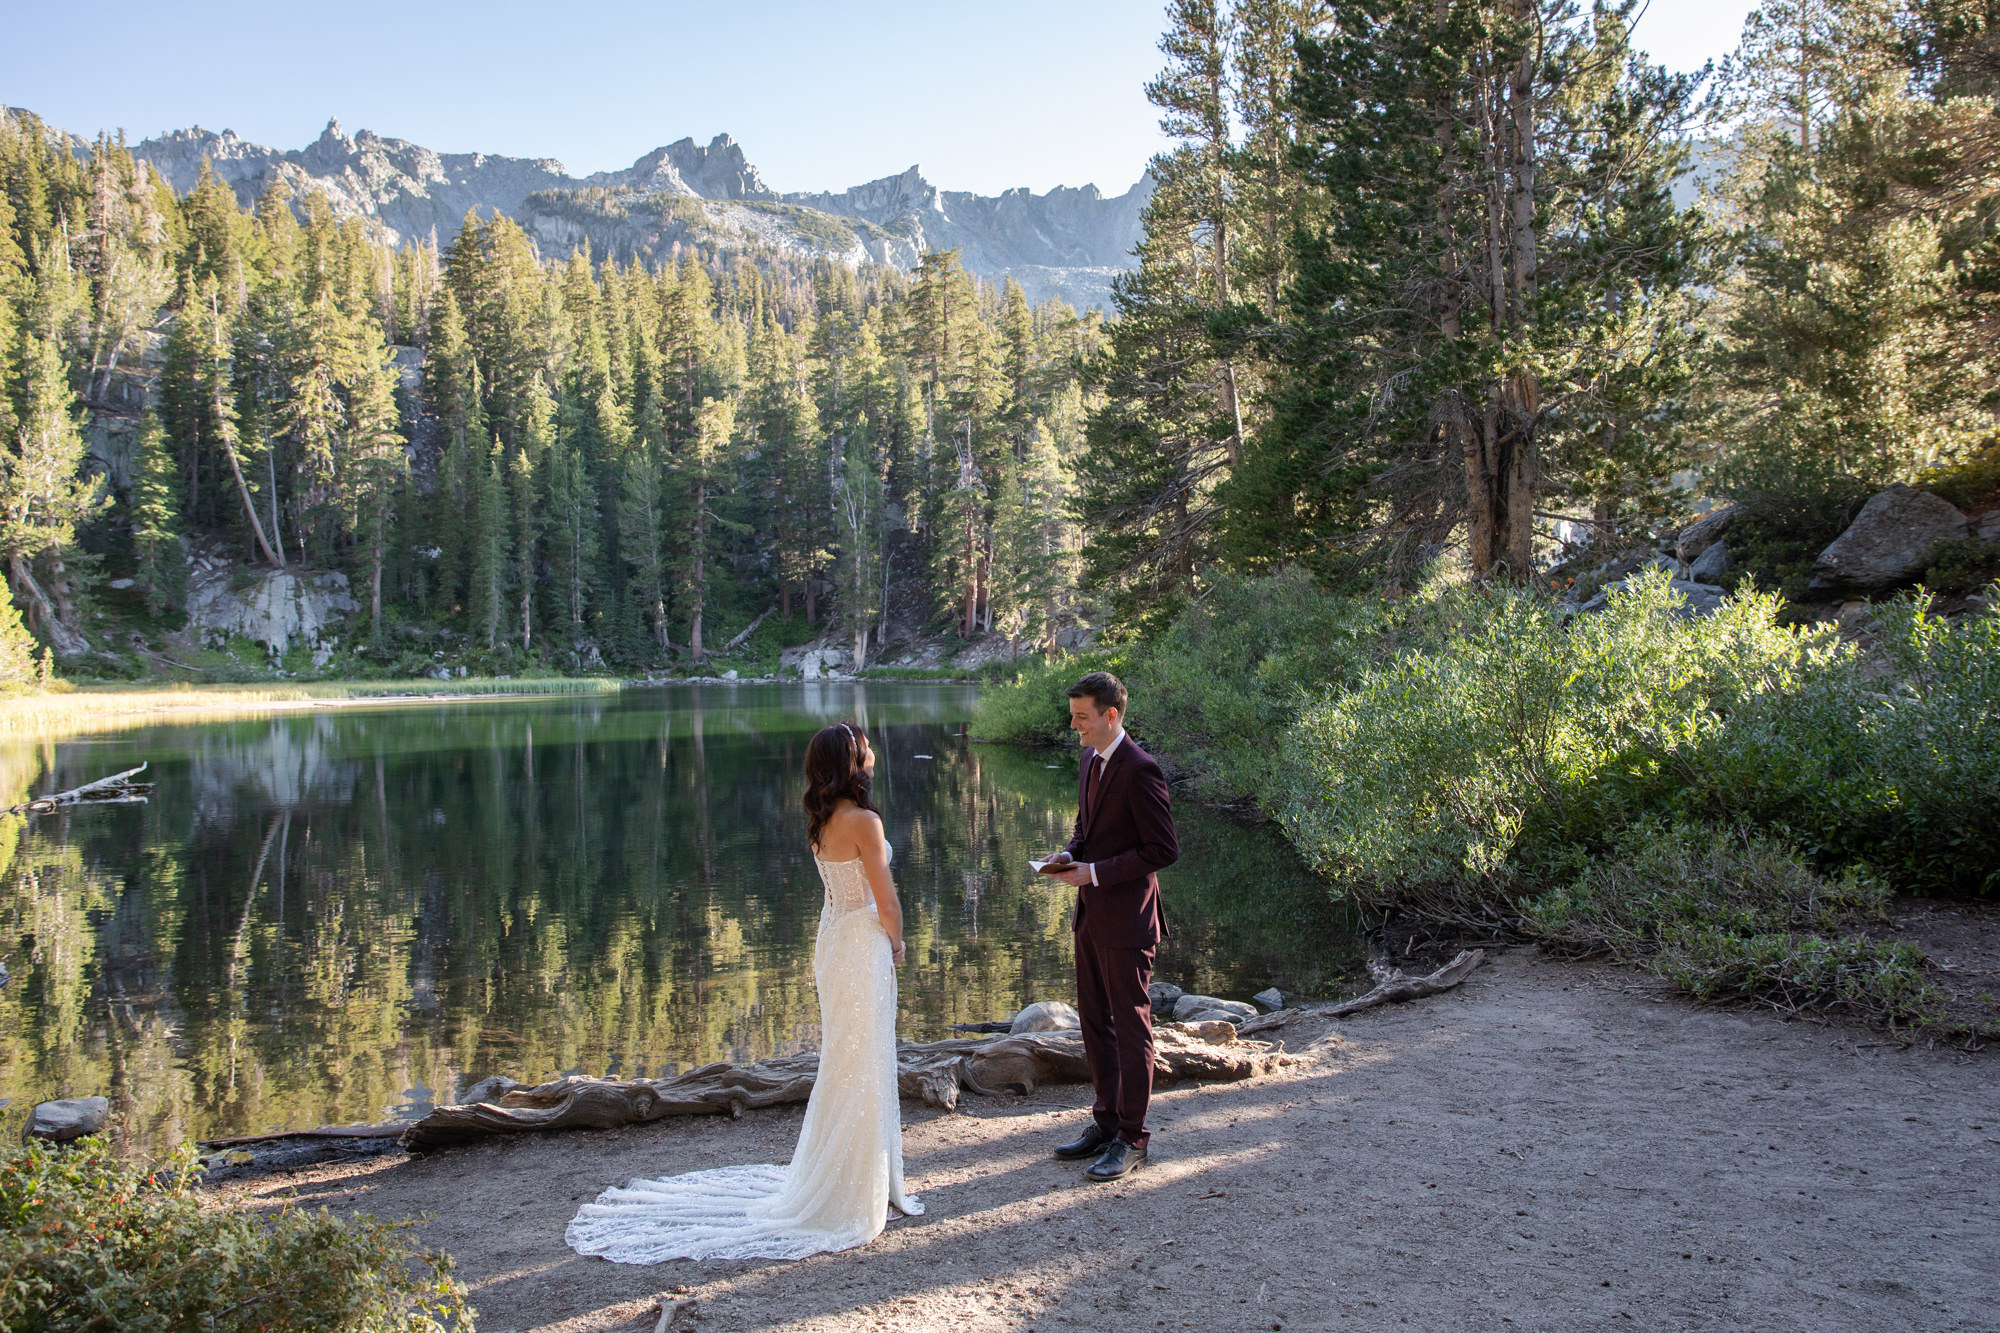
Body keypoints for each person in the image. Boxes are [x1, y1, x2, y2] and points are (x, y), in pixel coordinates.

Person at [565, 721, 922, 1263]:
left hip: (834, 944)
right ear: (851, 762)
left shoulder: (824, 819)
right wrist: (897, 946)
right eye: (865, 749)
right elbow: (887, 903)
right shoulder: (864, 821)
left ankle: (863, 1175)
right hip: (863, 946)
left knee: (847, 1060)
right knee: (863, 1059)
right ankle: (855, 1187)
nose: (873, 754)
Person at [1040, 671, 1179, 1182]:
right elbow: (1086, 828)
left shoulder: (1142, 770)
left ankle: (1133, 1137)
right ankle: (1105, 1123)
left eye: (1081, 716)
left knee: (1131, 1026)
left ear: (1110, 716)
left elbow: (1163, 850)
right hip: (1090, 918)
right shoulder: (1087, 759)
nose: (1073, 724)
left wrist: (1094, 872)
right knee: (1095, 1023)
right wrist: (1070, 854)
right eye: (1073, 715)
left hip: (1128, 921)